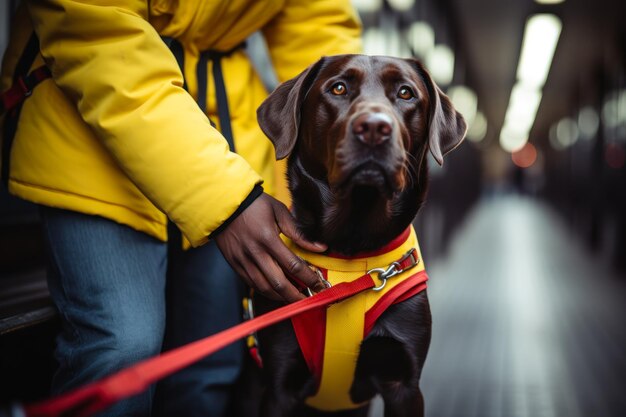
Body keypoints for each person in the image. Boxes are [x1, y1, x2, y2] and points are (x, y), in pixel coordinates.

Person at [0, 1, 362, 416]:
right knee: (119, 349)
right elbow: (97, 33)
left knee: (209, 366)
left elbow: (317, 31)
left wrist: (350, 171)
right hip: (86, 130)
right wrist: (228, 201)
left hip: (228, 133)